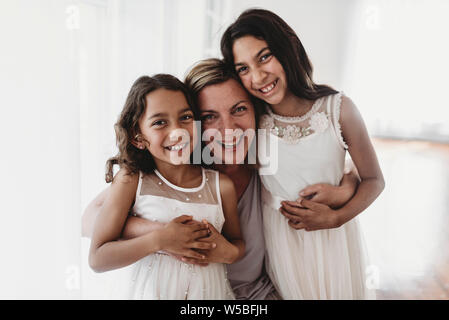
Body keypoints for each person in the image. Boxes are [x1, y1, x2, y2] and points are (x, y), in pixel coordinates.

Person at [83, 60, 360, 300]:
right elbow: (89, 219)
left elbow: (339, 162)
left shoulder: (265, 162)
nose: (227, 129)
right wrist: (165, 234)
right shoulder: (171, 169)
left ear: (255, 112)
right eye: (209, 116)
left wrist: (346, 186)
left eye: (239, 109)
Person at [220, 8, 385, 299]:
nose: (258, 76)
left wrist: (339, 214)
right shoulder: (252, 121)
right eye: (243, 68)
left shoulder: (339, 110)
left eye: (264, 57)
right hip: (281, 241)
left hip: (335, 235)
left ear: (288, 48)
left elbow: (374, 179)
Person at [88, 74, 244, 299]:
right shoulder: (131, 180)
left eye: (186, 117)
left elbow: (237, 242)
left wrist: (229, 253)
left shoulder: (221, 186)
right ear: (137, 137)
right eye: (160, 122)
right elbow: (98, 258)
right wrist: (159, 240)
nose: (177, 132)